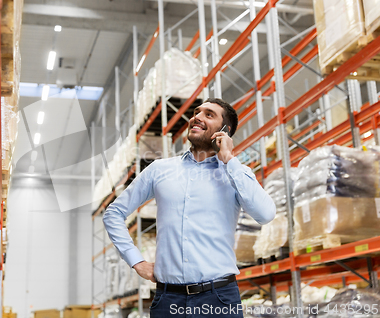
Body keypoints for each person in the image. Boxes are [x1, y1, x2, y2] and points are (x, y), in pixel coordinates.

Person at [103, 98, 276, 317]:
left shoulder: (235, 172)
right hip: (168, 300)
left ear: (225, 130)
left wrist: (229, 160)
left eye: (209, 114)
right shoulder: (160, 170)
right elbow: (113, 214)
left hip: (219, 299)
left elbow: (266, 214)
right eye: (197, 112)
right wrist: (136, 261)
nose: (197, 117)